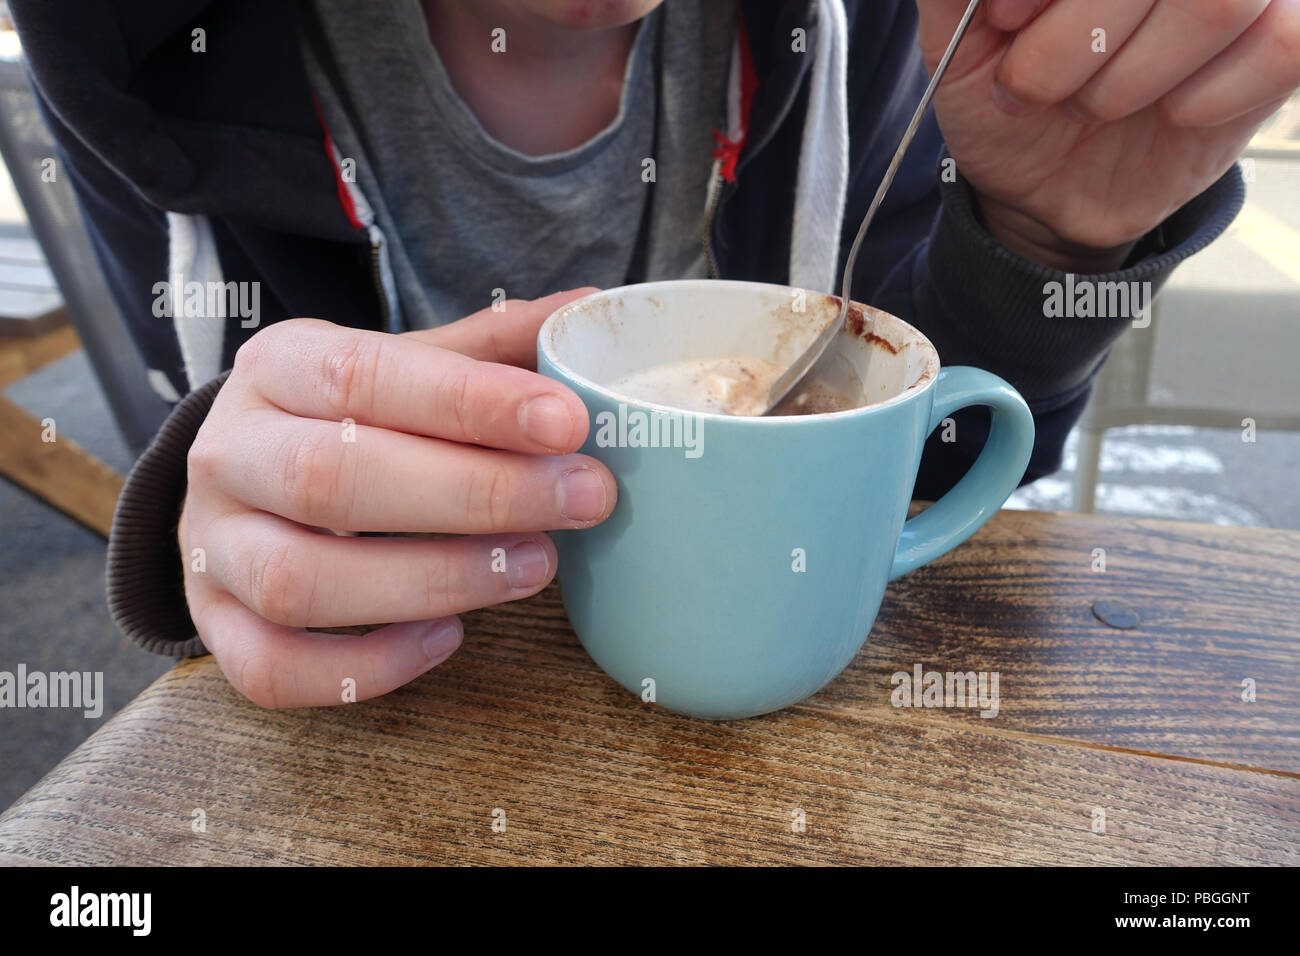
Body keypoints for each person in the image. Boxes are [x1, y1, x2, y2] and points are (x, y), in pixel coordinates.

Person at [12, 0, 1297, 708]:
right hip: (418, 722)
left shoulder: (898, 29)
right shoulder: (142, 48)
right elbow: (215, 425)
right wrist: (216, 507)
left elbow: (927, 441)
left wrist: (1033, 243)